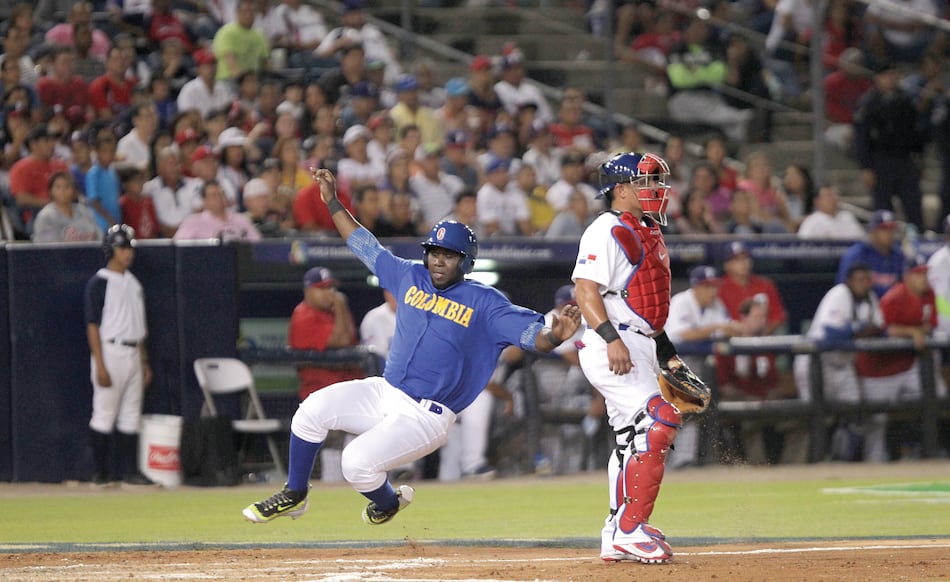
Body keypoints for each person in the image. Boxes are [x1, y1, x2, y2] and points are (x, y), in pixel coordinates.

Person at [242, 168, 580, 528]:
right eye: (434, 251)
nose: (438, 260)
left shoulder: (485, 301)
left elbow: (533, 337)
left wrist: (556, 335)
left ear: (465, 261)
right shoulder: (409, 275)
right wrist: (333, 202)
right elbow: (362, 243)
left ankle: (387, 501)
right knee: (312, 409)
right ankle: (295, 494)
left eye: (448, 255)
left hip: (426, 416)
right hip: (385, 389)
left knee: (354, 463)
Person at [571, 151, 687, 563]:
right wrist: (609, 338)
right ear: (620, 190)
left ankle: (616, 528)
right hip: (612, 343)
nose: (656, 189)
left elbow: (646, 309)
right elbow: (585, 290)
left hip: (639, 342)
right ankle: (630, 528)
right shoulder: (606, 227)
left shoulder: (646, 230)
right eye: (646, 182)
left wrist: (668, 356)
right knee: (659, 420)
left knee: (628, 442)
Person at [84, 224, 156, 488]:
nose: (127, 253)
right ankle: (100, 473)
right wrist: (100, 364)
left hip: (134, 351)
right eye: (122, 247)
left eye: (129, 247)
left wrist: (144, 361)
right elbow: (92, 324)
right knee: (104, 413)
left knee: (130, 414)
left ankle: (130, 472)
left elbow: (139, 326)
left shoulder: (134, 282)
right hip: (110, 350)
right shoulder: (99, 282)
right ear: (110, 250)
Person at [792, 262, 884, 461]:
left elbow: (878, 327)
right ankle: (807, 464)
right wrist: (859, 327)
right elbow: (830, 333)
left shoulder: (870, 298)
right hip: (815, 364)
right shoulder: (839, 294)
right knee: (814, 417)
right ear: (849, 281)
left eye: (867, 279)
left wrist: (853, 329)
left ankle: (839, 462)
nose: (863, 284)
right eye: (859, 279)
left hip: (843, 366)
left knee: (855, 414)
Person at [855, 256, 940, 461]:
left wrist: (917, 331)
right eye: (918, 273)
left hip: (906, 366)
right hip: (878, 370)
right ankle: (869, 468)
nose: (923, 278)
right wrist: (912, 332)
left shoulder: (928, 295)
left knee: (936, 398)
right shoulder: (893, 298)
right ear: (907, 276)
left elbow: (931, 325)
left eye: (925, 273)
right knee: (876, 422)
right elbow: (882, 330)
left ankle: (923, 452)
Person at [664, 266, 742, 468]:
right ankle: (670, 462)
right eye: (707, 287)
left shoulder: (717, 305)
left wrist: (729, 328)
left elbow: (734, 329)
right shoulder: (681, 302)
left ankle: (683, 463)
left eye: (715, 286)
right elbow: (681, 335)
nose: (713, 291)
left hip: (696, 368)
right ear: (696, 287)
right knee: (670, 414)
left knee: (691, 413)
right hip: (668, 367)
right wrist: (715, 329)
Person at [836, 209, 904, 299]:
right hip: (862, 305)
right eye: (883, 229)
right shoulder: (857, 254)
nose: (888, 234)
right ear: (873, 231)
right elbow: (842, 288)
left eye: (891, 229)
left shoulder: (898, 255)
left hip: (891, 308)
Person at [174, 181, 261, 242]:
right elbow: (178, 247)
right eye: (213, 195)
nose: (219, 198)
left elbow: (257, 244)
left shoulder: (241, 220)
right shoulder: (193, 222)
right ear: (205, 201)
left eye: (221, 194)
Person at [31, 171, 101, 242]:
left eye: (67, 186)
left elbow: (99, 238)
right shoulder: (46, 216)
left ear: (74, 190)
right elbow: (47, 248)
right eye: (58, 187)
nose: (63, 190)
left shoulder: (84, 212)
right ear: (51, 191)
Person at [797, 185, 866, 240]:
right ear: (816, 201)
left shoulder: (847, 217)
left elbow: (862, 240)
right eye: (828, 195)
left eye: (834, 195)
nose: (833, 199)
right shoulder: (811, 222)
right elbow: (803, 246)